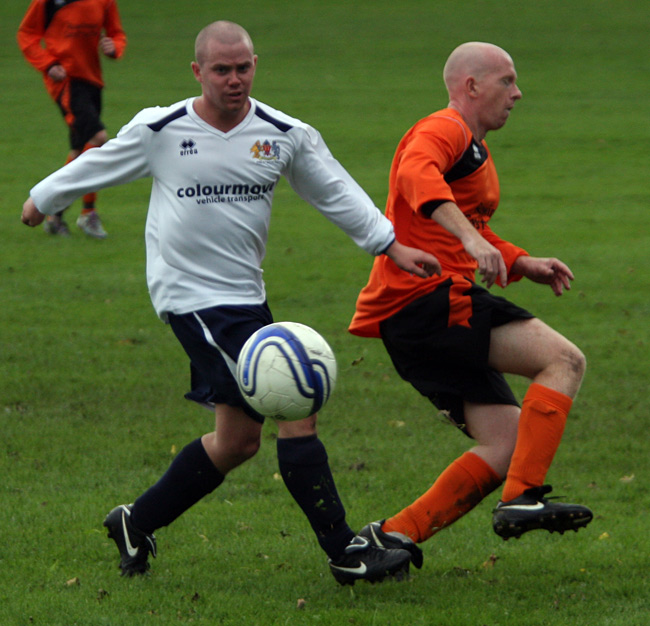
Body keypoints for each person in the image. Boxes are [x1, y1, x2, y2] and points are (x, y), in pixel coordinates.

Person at [21, 21, 440, 584]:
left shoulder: (282, 133)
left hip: (246, 296)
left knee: (238, 441)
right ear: (198, 72)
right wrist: (42, 199)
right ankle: (345, 551)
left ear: (255, 65)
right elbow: (99, 161)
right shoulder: (162, 129)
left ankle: (135, 522)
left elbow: (334, 189)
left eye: (243, 68)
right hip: (189, 295)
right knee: (296, 399)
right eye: (222, 70)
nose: (234, 79)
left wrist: (390, 244)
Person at [348, 42, 593, 561]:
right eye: (507, 81)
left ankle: (388, 540)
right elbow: (416, 175)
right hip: (429, 301)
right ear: (471, 86)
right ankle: (522, 498)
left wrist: (520, 261)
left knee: (507, 441)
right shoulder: (445, 128)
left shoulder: (474, 148)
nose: (517, 93)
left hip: (412, 317)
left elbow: (471, 226)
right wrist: (472, 240)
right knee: (564, 360)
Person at [17, 0, 127, 238]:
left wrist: (114, 47)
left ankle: (54, 216)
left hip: (92, 80)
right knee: (98, 138)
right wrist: (47, 64)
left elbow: (116, 33)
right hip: (66, 81)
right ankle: (88, 212)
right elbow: (26, 34)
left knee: (80, 151)